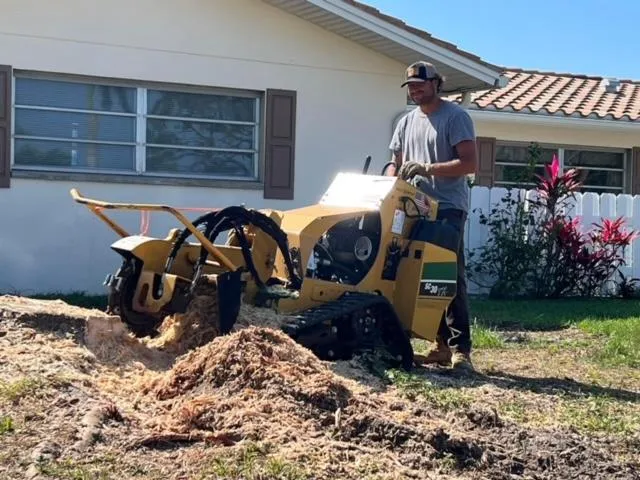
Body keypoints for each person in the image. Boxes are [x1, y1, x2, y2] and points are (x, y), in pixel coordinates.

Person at [387, 61, 477, 371]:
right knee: (418, 274)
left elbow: (469, 163)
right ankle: (438, 344)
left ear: (436, 84)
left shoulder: (456, 117)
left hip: (448, 206)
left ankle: (460, 349)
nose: (415, 90)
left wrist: (428, 168)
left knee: (448, 274)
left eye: (420, 85)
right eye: (411, 86)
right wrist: (389, 181)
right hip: (413, 206)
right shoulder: (406, 121)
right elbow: (395, 162)